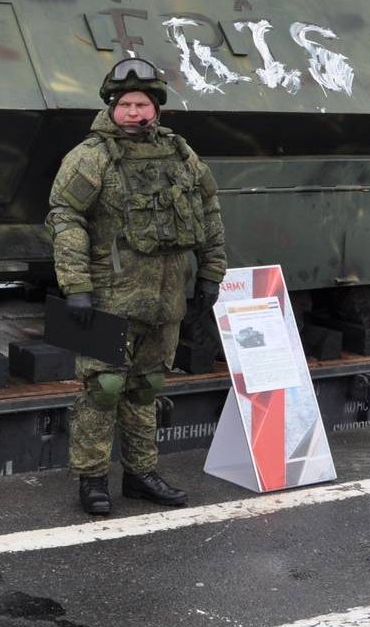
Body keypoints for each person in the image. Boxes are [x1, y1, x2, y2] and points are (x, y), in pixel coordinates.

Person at [48, 57, 226, 515]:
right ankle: (91, 480)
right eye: (125, 103)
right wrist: (76, 287)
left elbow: (209, 213)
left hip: (165, 299)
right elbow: (65, 219)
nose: (133, 112)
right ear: (111, 106)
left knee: (146, 387)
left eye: (141, 103)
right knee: (101, 387)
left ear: (156, 108)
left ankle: (140, 473)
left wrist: (211, 273)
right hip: (106, 297)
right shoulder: (90, 158)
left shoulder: (181, 154)